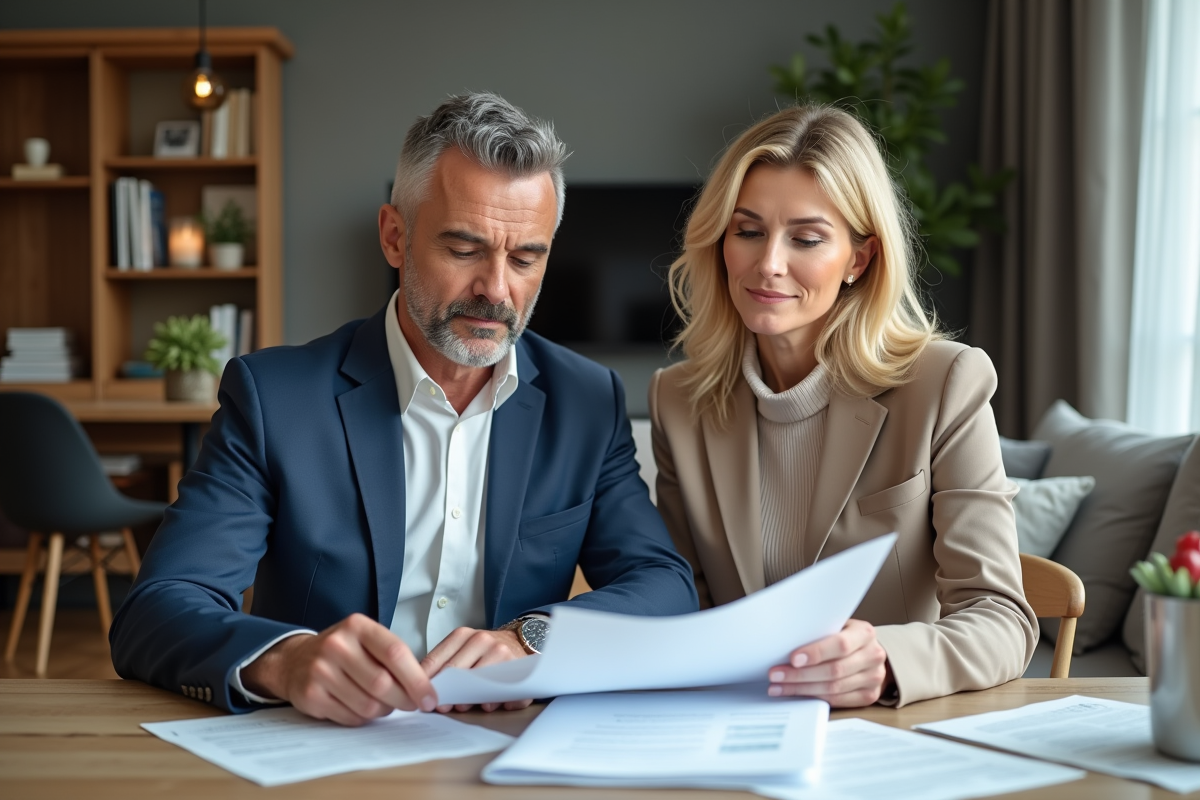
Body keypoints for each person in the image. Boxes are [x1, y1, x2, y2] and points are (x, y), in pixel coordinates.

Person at [110, 92, 698, 725]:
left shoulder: (587, 400)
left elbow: (664, 586)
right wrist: (285, 660)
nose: (496, 290)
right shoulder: (274, 397)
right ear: (395, 236)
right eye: (464, 250)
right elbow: (159, 608)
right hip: (320, 744)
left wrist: (530, 638)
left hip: (504, 739)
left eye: (525, 258)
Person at [650, 105, 1037, 709]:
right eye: (748, 231)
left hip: (889, 729)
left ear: (859, 259)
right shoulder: (678, 400)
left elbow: (1001, 618)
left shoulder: (944, 384)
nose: (769, 263)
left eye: (806, 239)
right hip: (736, 724)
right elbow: (682, 599)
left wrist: (888, 663)